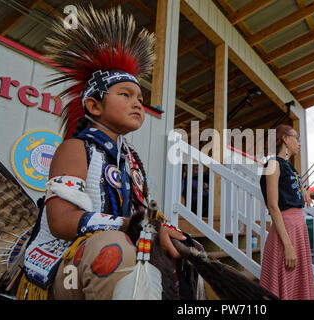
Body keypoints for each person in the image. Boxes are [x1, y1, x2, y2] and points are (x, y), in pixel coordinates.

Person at [16, 6, 187, 300]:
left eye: (141, 99)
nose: (138, 104)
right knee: (113, 250)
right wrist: (127, 225)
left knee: (181, 252)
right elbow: (60, 222)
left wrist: (159, 226)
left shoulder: (132, 162)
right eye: (125, 94)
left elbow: (140, 214)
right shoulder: (75, 148)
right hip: (63, 265)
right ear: (94, 106)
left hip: (108, 255)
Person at [259, 124, 314, 300]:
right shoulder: (273, 164)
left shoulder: (290, 168)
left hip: (298, 229)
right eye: (296, 137)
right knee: (284, 284)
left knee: (297, 285)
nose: (299, 142)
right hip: (286, 233)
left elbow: (290, 187)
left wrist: (303, 190)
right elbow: (273, 206)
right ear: (285, 138)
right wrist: (288, 246)